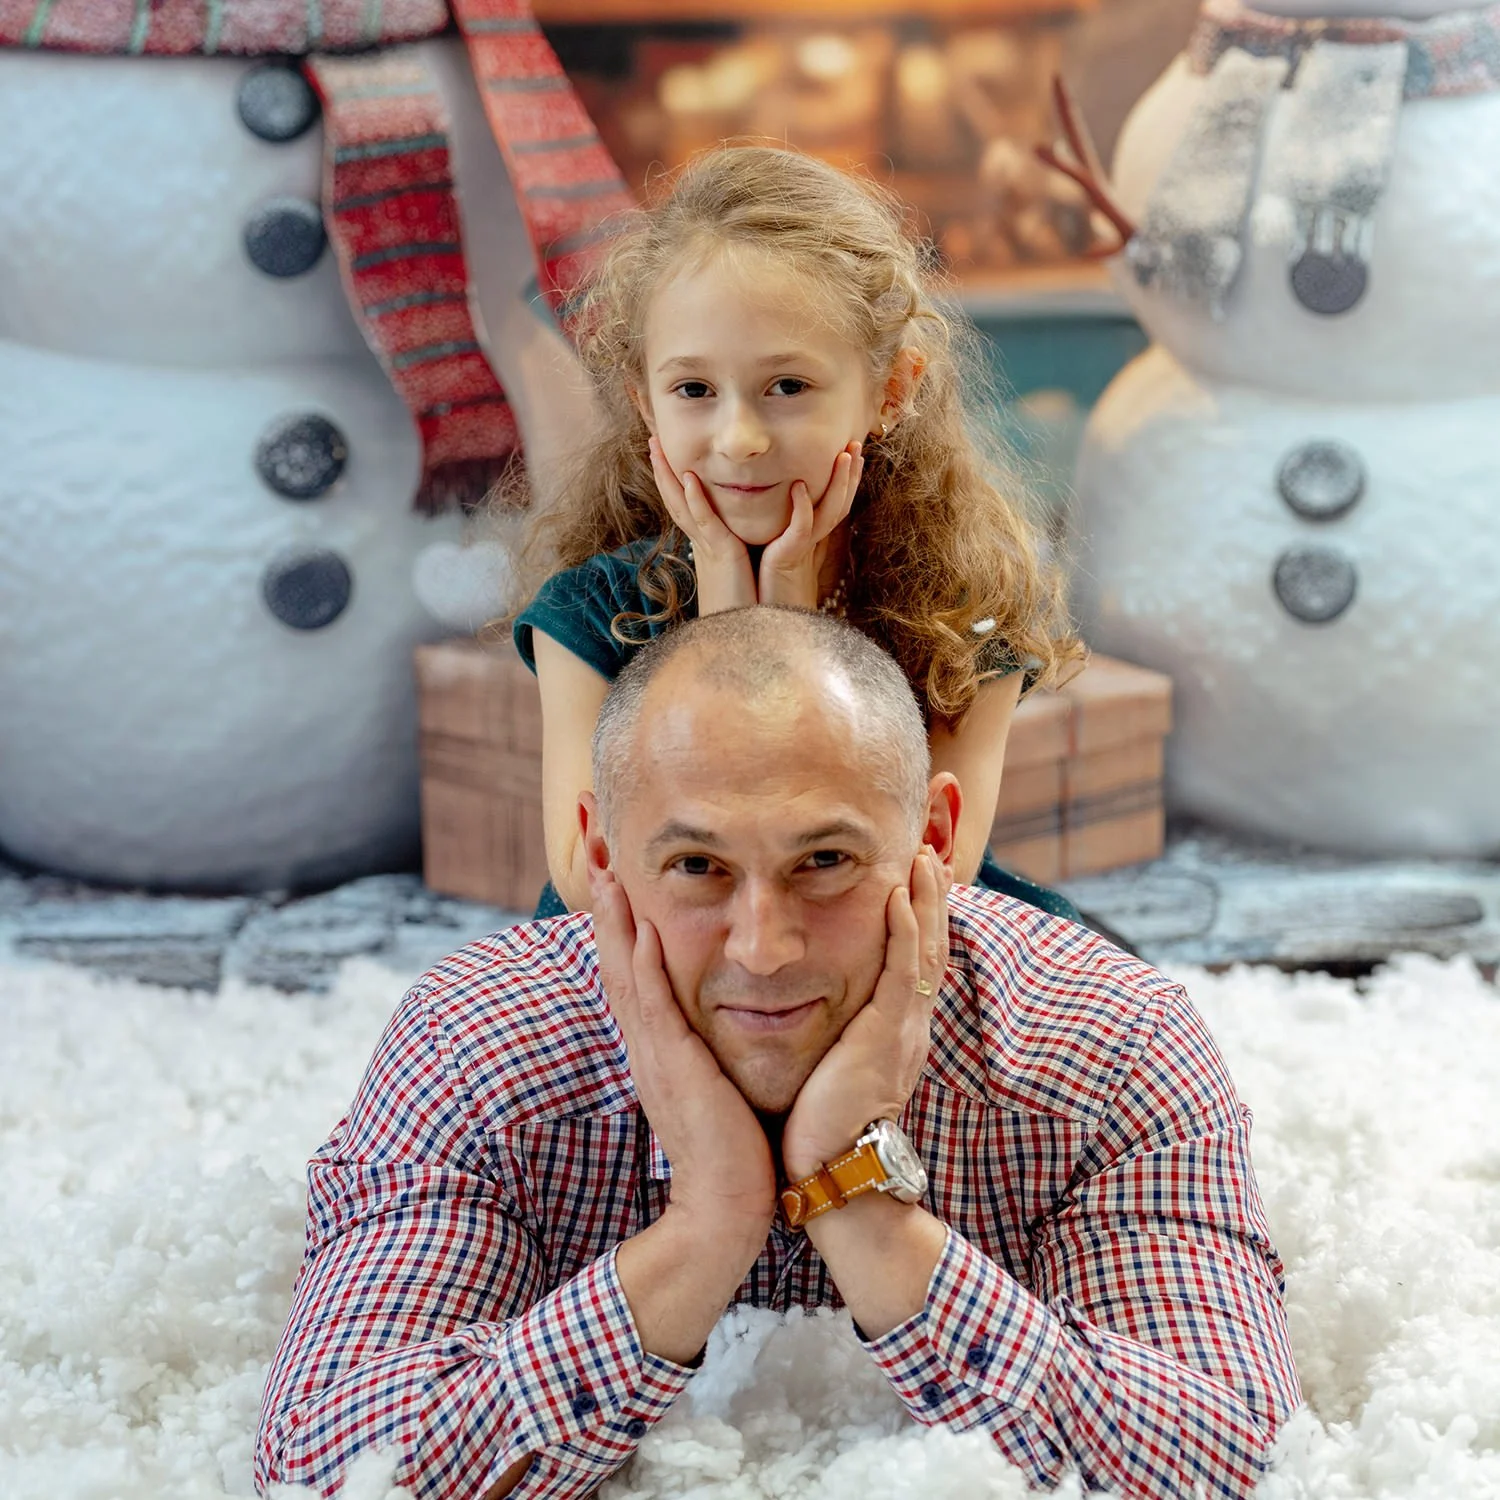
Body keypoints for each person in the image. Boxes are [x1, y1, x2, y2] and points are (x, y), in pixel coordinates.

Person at [256, 607, 1301, 1500]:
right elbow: (323, 1466)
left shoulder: (1110, 1039)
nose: (763, 948)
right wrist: (709, 1221)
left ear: (935, 841)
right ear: (603, 855)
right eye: (697, 865)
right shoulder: (473, 1041)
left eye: (825, 860)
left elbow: (1240, 1460)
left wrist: (857, 1195)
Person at [509, 143, 1085, 922]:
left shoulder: (961, 612)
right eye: (694, 389)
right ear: (645, 402)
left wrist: (788, 627)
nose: (739, 438)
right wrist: (730, 631)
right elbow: (590, 882)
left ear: (890, 391)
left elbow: (931, 868)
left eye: (787, 386)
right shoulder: (588, 615)